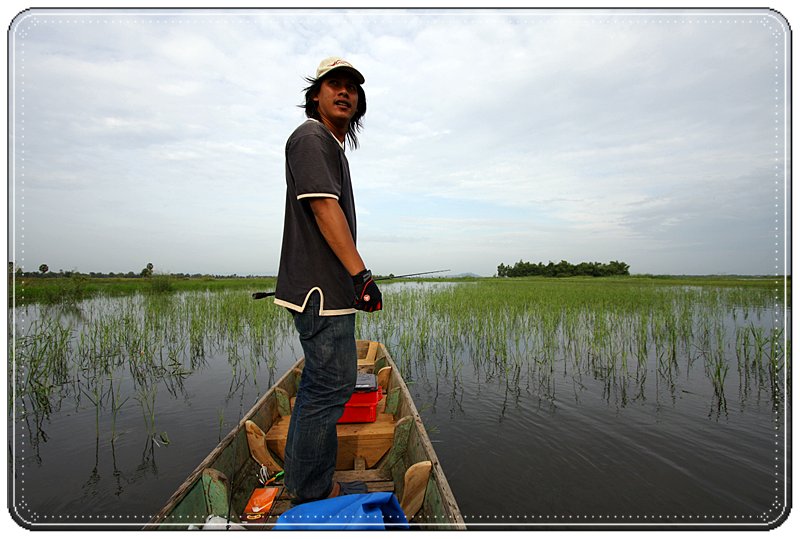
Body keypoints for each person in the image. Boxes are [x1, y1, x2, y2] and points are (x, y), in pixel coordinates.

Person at [273, 56, 383, 505]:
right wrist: (362, 275)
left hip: (330, 291)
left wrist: (354, 279)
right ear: (314, 96)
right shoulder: (311, 136)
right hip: (321, 291)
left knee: (327, 386)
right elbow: (323, 208)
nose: (344, 93)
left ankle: (305, 481)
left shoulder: (330, 146)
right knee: (327, 388)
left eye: (351, 88)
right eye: (333, 85)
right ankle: (311, 488)